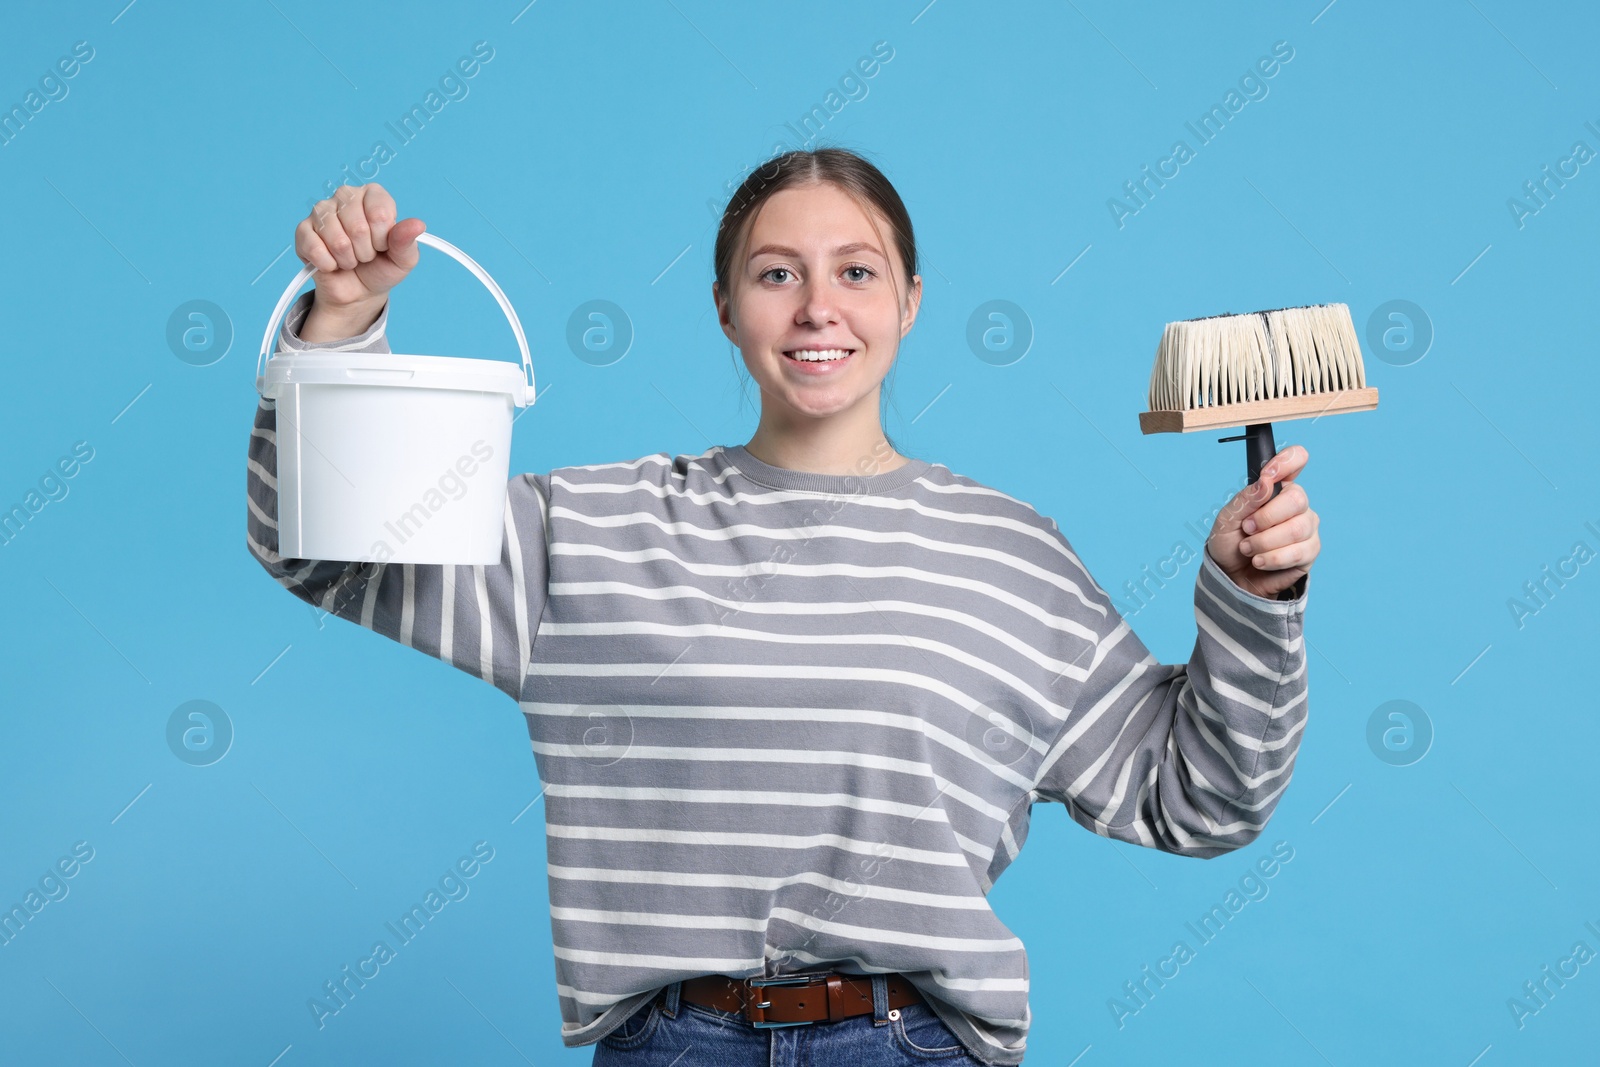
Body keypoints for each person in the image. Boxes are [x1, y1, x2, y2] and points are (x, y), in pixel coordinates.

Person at [245, 147, 1316, 1066]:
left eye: (856, 270)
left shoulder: (1006, 553)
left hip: (912, 1042)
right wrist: (342, 327)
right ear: (723, 303)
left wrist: (1250, 600)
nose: (818, 307)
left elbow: (1201, 797)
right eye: (775, 273)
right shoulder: (591, 531)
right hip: (671, 1042)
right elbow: (331, 552)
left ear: (908, 299)